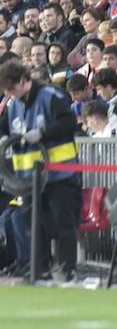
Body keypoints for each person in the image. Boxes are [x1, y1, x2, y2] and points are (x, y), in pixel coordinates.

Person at [0, 58, 81, 284]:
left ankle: (68, 270)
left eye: (12, 88)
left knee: (63, 223)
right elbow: (5, 126)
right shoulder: (13, 103)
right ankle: (40, 270)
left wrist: (43, 133)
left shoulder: (51, 96)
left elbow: (68, 124)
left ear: (25, 80)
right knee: (34, 226)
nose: (10, 93)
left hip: (59, 174)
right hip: (28, 179)